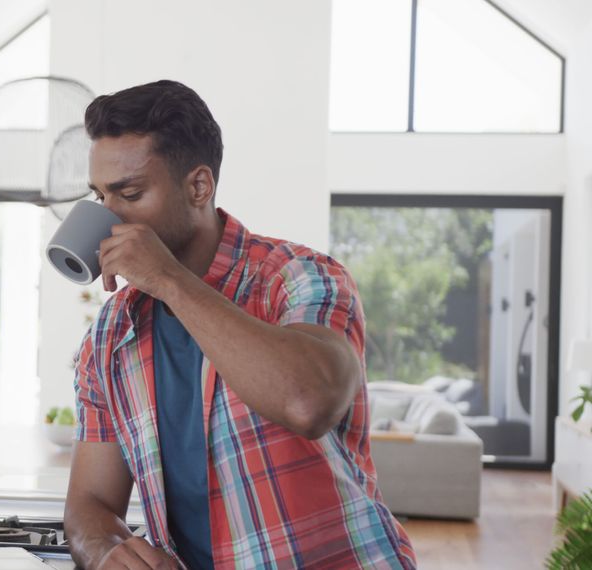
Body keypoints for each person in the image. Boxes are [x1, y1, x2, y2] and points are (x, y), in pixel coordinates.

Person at [63, 80, 417, 570]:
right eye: (102, 197)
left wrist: (167, 277)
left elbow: (308, 401)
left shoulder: (300, 278)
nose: (110, 217)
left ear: (199, 186)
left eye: (130, 193)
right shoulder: (111, 334)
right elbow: (90, 504)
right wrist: (104, 552)